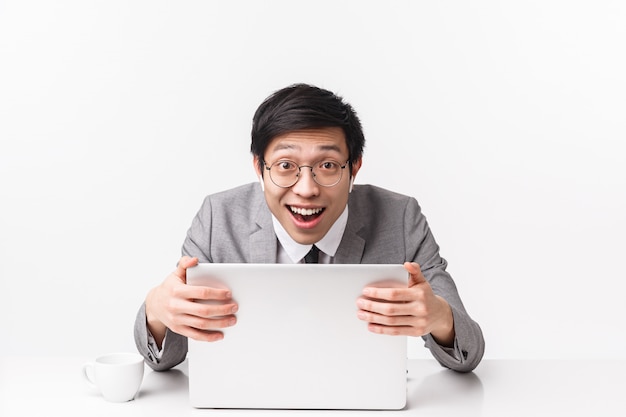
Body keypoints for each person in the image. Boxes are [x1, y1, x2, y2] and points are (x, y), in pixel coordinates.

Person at [134, 83, 485, 373]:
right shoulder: (217, 218)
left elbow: (469, 354)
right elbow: (168, 357)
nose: (306, 188)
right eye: (285, 165)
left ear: (355, 168)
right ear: (259, 167)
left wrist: (439, 317)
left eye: (328, 165)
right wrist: (156, 310)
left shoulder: (400, 218)